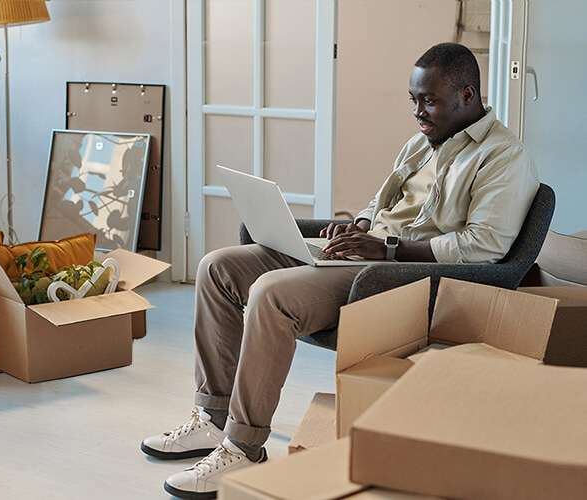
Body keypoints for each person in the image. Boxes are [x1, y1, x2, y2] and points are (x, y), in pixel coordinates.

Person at [141, 42, 539, 499]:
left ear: (468, 95)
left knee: (271, 293)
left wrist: (385, 248)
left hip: (398, 277)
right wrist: (358, 226)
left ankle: (244, 446)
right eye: (413, 100)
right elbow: (381, 203)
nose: (418, 112)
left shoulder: (503, 157)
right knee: (218, 267)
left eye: (429, 101)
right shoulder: (421, 144)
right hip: (364, 255)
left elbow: (484, 249)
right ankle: (211, 418)